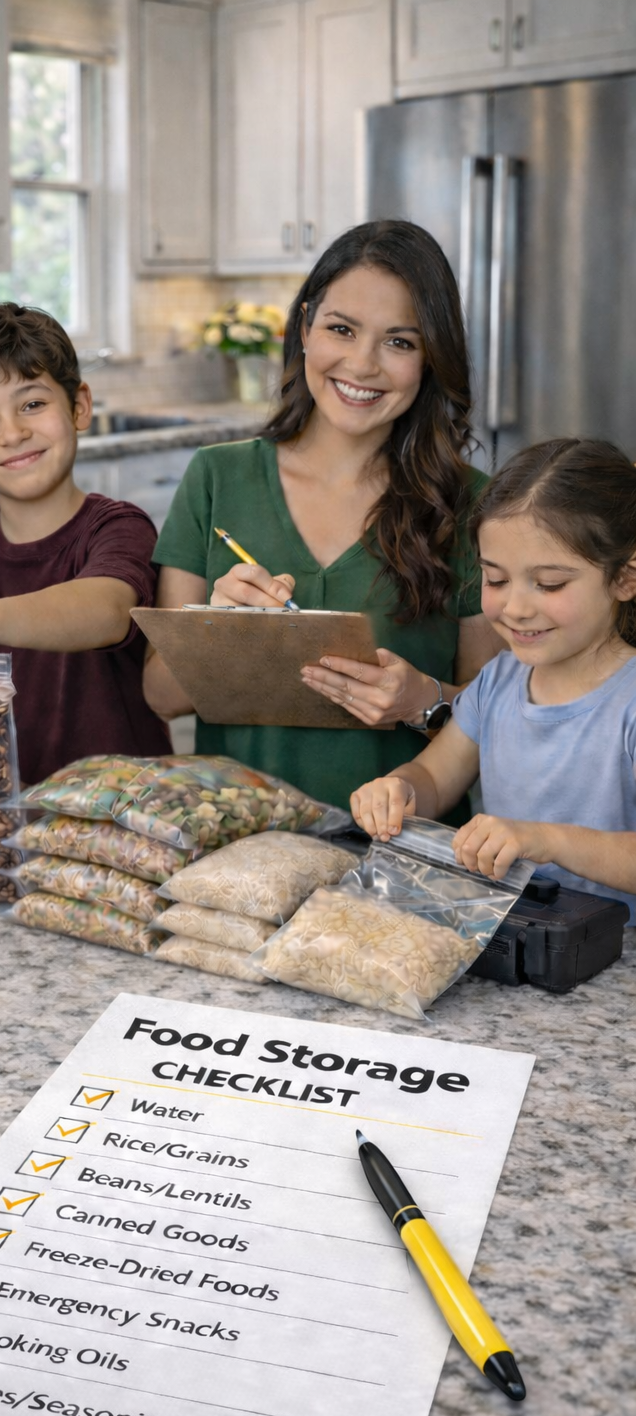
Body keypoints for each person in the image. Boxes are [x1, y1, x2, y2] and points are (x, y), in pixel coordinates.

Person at [144, 220, 504, 813]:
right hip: (238, 855)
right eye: (342, 329)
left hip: (402, 861)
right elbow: (160, 697)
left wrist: (425, 700)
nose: (362, 365)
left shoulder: (473, 505)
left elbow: (503, 719)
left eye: (399, 342)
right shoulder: (215, 478)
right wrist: (218, 630)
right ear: (305, 325)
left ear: (431, 359)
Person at [351, 439, 636, 920]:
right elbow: (435, 779)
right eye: (496, 580)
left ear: (625, 579)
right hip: (513, 943)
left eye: (549, 584)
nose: (516, 608)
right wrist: (398, 790)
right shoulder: (498, 681)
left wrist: (545, 840)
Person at [0, 302, 171, 784]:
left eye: (32, 404)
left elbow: (106, 609)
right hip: (0, 819)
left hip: (123, 815)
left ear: (79, 406)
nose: (14, 433)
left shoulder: (120, 527)